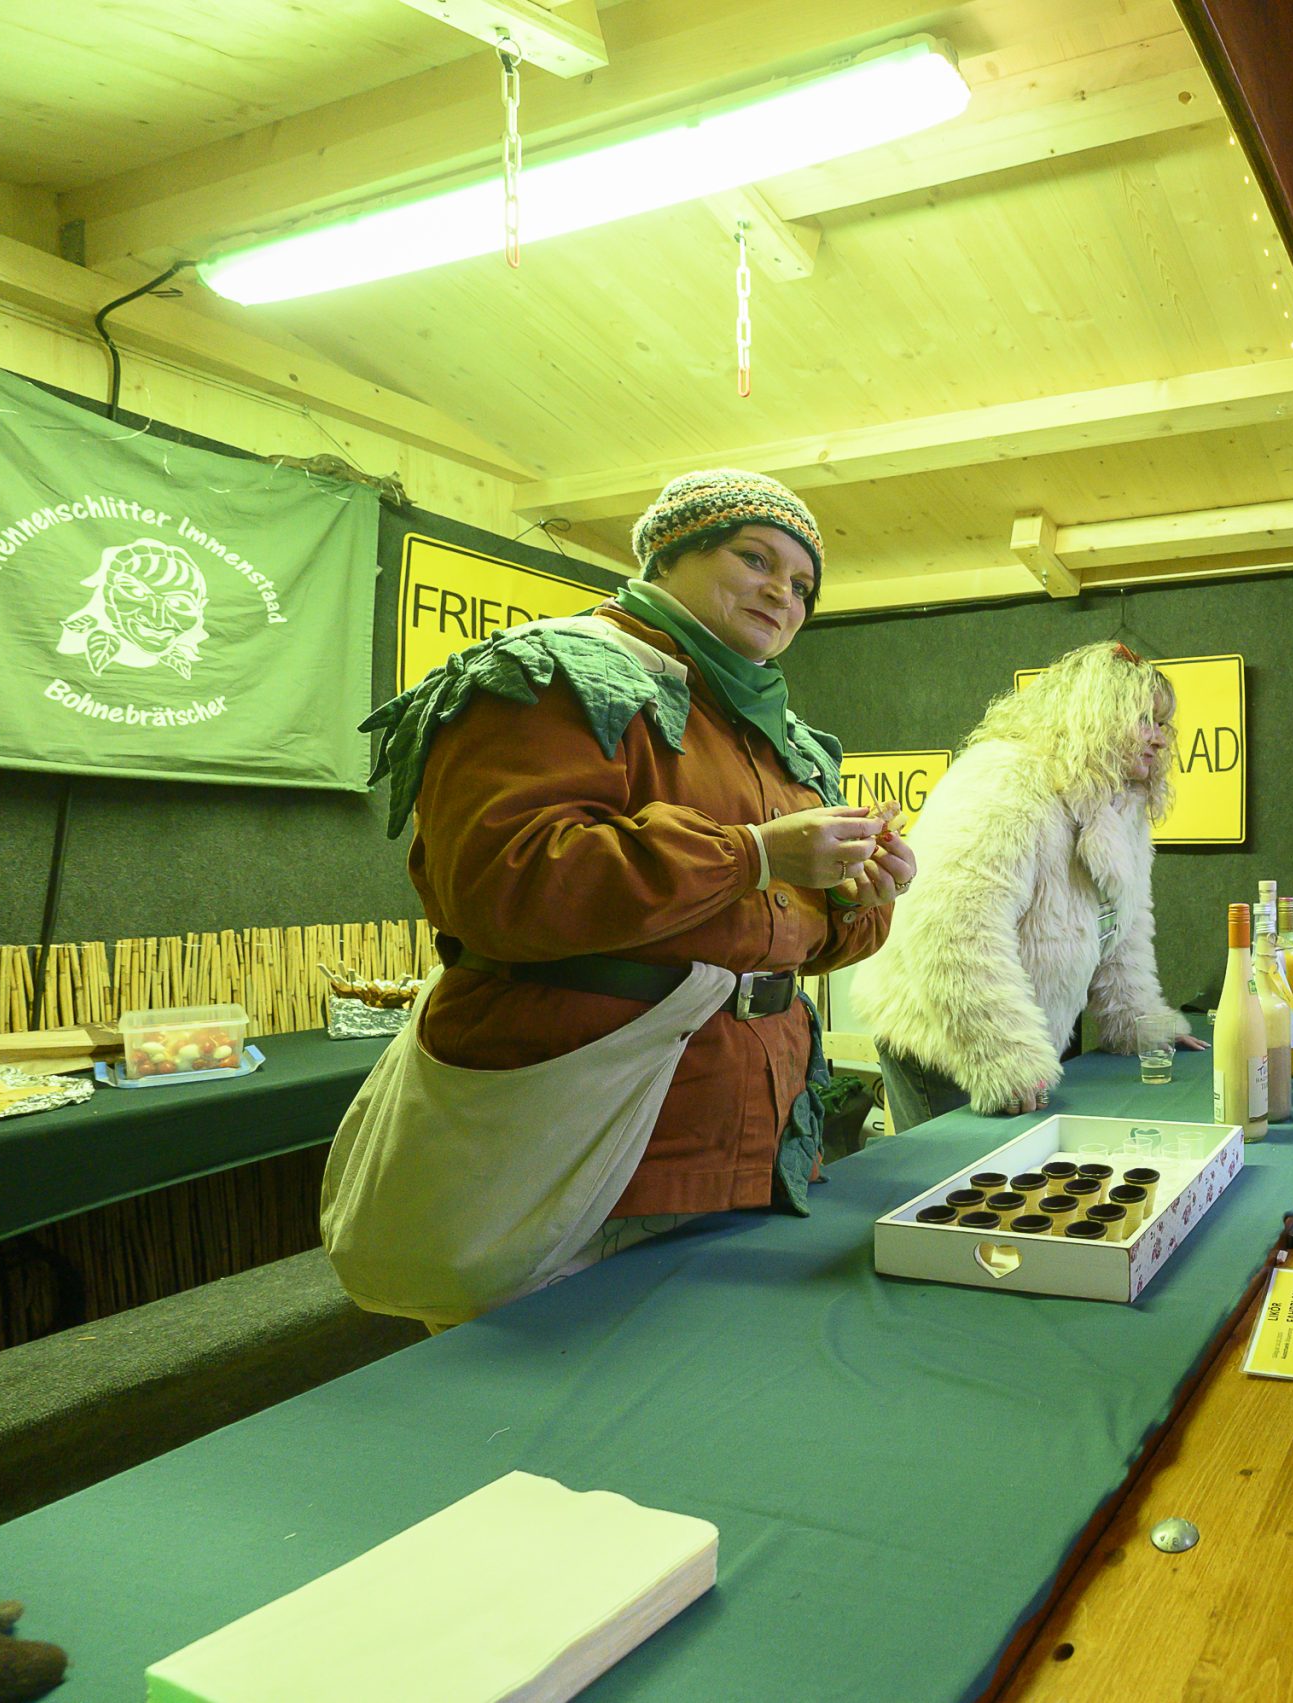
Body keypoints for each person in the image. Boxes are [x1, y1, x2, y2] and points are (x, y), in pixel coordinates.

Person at [334, 469, 906, 1324]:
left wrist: (859, 895)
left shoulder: (781, 740)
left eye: (801, 585)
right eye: (755, 559)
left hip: (754, 1132)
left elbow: (784, 939)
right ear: (670, 553)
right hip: (579, 1134)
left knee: (707, 1374)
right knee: (536, 1383)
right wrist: (752, 854)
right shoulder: (551, 673)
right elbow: (505, 880)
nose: (781, 594)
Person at [854, 643, 1203, 1129]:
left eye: (1162, 723)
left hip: (1031, 1032)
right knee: (961, 1173)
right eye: (1144, 719)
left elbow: (1122, 924)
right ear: (1095, 715)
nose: (1160, 739)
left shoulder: (1120, 800)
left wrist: (1141, 1023)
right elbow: (953, 931)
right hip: (945, 1034)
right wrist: (1003, 1058)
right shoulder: (1005, 780)